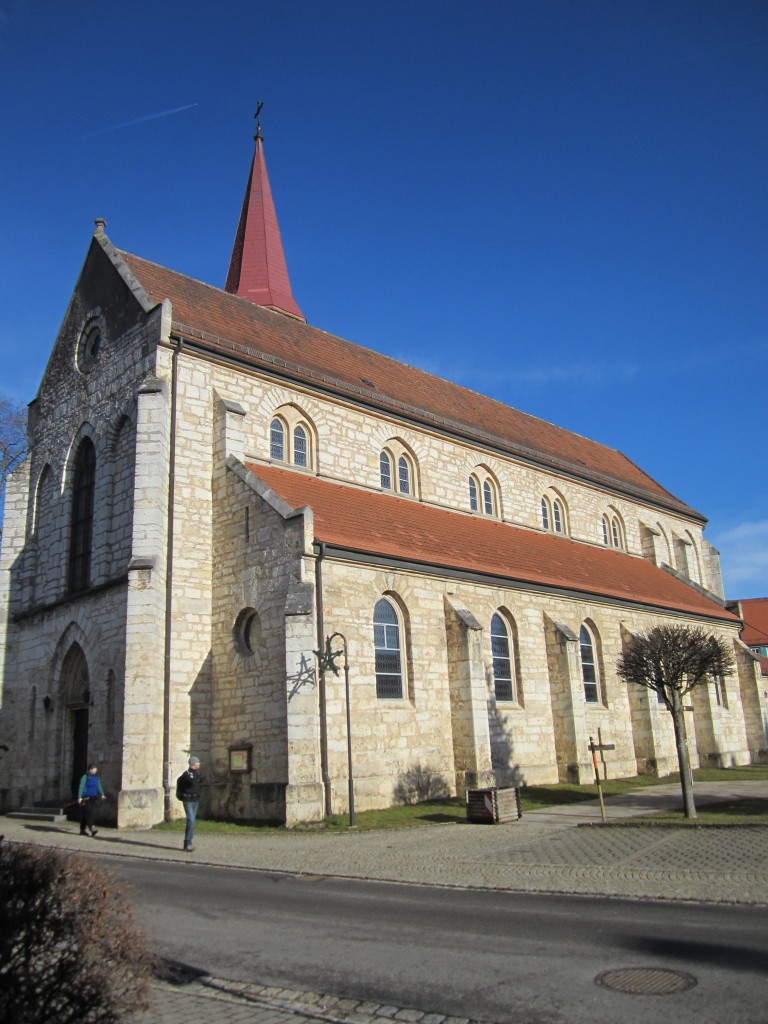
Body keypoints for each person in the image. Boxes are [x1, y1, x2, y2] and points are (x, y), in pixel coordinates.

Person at [177, 755, 204, 852]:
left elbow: (201, 779)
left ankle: (188, 843)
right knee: (191, 820)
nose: (199, 764)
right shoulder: (186, 775)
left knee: (192, 821)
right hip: (188, 800)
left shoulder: (197, 774)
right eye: (198, 762)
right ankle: (187, 842)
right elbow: (189, 782)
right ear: (193, 764)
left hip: (195, 800)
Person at [77, 763, 105, 836]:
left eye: (96, 770)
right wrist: (79, 797)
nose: (95, 771)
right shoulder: (85, 777)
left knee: (85, 814)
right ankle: (92, 828)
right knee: (89, 813)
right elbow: (81, 787)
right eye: (94, 770)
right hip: (86, 798)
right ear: (90, 769)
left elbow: (98, 786)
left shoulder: (96, 778)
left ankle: (82, 830)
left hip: (93, 798)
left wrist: (102, 794)